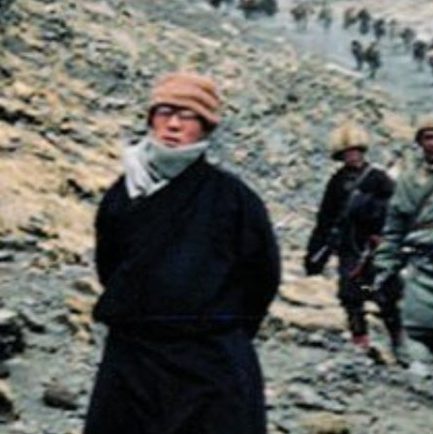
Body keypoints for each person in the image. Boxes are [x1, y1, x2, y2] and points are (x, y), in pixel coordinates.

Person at [86, 72, 280, 434]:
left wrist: (222, 330)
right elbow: (109, 266)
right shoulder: (123, 194)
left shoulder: (234, 199)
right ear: (150, 119)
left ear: (206, 128)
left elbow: (262, 277)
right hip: (133, 359)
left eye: (188, 116)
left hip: (209, 361)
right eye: (165, 112)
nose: (173, 125)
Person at [372, 114, 433, 390]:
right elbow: (395, 224)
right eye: (427, 137)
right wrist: (385, 261)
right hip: (419, 254)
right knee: (419, 322)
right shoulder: (408, 179)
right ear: (419, 142)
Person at [305, 121, 402, 354]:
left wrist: (374, 215)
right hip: (349, 246)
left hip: (375, 245)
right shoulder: (336, 182)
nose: (352, 156)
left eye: (355, 151)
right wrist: (314, 253)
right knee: (350, 294)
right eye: (347, 153)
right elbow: (325, 218)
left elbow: (396, 210)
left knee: (383, 293)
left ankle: (398, 340)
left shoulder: (379, 178)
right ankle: (360, 340)